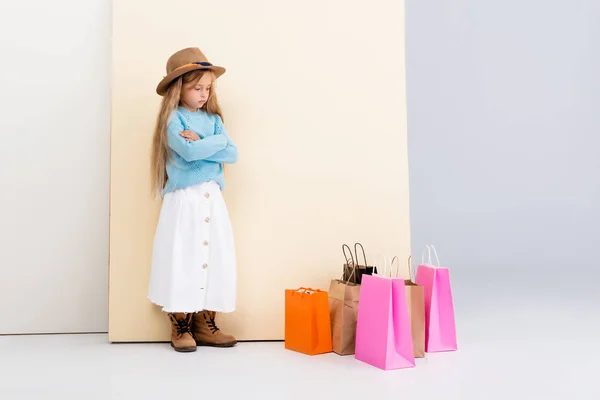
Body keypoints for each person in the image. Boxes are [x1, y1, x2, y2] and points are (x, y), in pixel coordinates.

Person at [148, 47, 239, 352]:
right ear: (179, 88)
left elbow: (233, 153)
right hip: (185, 199)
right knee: (184, 255)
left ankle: (205, 321)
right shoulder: (173, 119)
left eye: (208, 88)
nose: (203, 94)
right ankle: (181, 323)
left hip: (212, 198)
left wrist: (203, 141)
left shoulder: (212, 119)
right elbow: (186, 153)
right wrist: (214, 144)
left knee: (214, 254)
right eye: (196, 88)